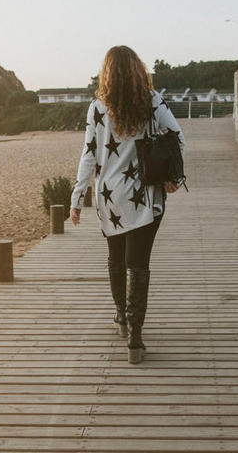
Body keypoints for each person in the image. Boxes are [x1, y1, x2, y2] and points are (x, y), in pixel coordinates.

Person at [69, 45, 185, 364]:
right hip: (144, 197)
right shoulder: (152, 101)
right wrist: (173, 176)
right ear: (138, 69)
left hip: (109, 198)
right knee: (139, 263)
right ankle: (135, 338)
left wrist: (76, 199)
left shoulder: (96, 107)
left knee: (116, 258)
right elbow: (177, 138)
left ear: (106, 73)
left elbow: (88, 155)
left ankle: (121, 317)